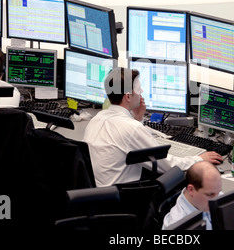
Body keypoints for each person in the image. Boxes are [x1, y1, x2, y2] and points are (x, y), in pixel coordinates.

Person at [83, 67, 223, 187]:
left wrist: (137, 117)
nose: (142, 91)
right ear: (127, 97)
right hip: (122, 199)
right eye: (138, 90)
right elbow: (166, 165)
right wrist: (199, 158)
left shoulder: (96, 119)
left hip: (100, 193)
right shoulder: (132, 128)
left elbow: (125, 139)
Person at [162, 160, 222, 230]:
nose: (216, 200)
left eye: (218, 192)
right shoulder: (177, 224)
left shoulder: (208, 194)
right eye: (210, 195)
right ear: (191, 190)